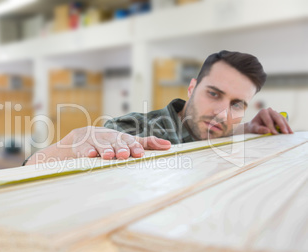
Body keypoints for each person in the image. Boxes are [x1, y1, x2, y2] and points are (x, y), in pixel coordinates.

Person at [24, 50, 293, 166]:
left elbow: (214, 133)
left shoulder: (217, 128)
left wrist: (249, 127)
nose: (222, 113)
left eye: (237, 104)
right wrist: (72, 144)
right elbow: (27, 174)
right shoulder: (138, 129)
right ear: (191, 88)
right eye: (213, 94)